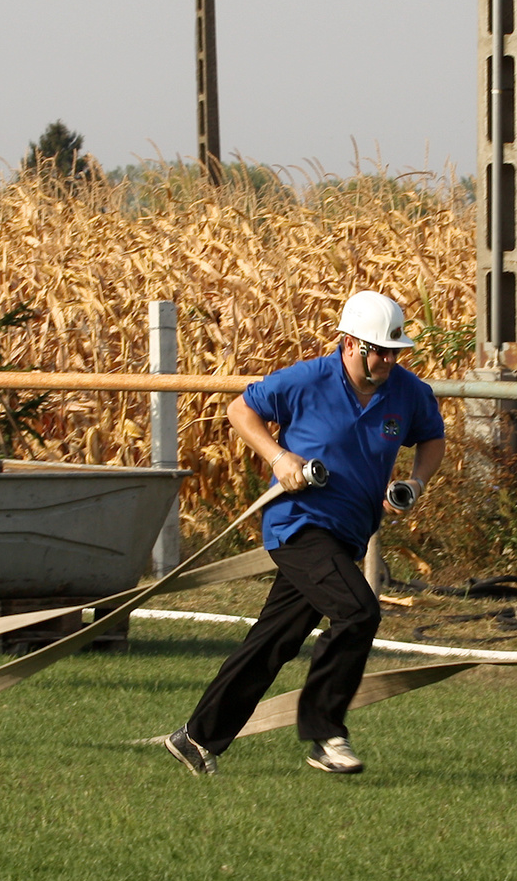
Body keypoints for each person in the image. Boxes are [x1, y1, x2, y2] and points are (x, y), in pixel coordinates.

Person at [163, 291, 445, 776]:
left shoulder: (408, 392)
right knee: (357, 612)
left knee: (275, 639)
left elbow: (432, 438)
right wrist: (279, 457)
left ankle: (195, 738)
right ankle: (325, 734)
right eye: (380, 349)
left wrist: (415, 483)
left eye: (395, 351)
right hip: (298, 524)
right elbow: (240, 411)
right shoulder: (307, 380)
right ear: (350, 343)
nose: (389, 359)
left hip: (348, 534)